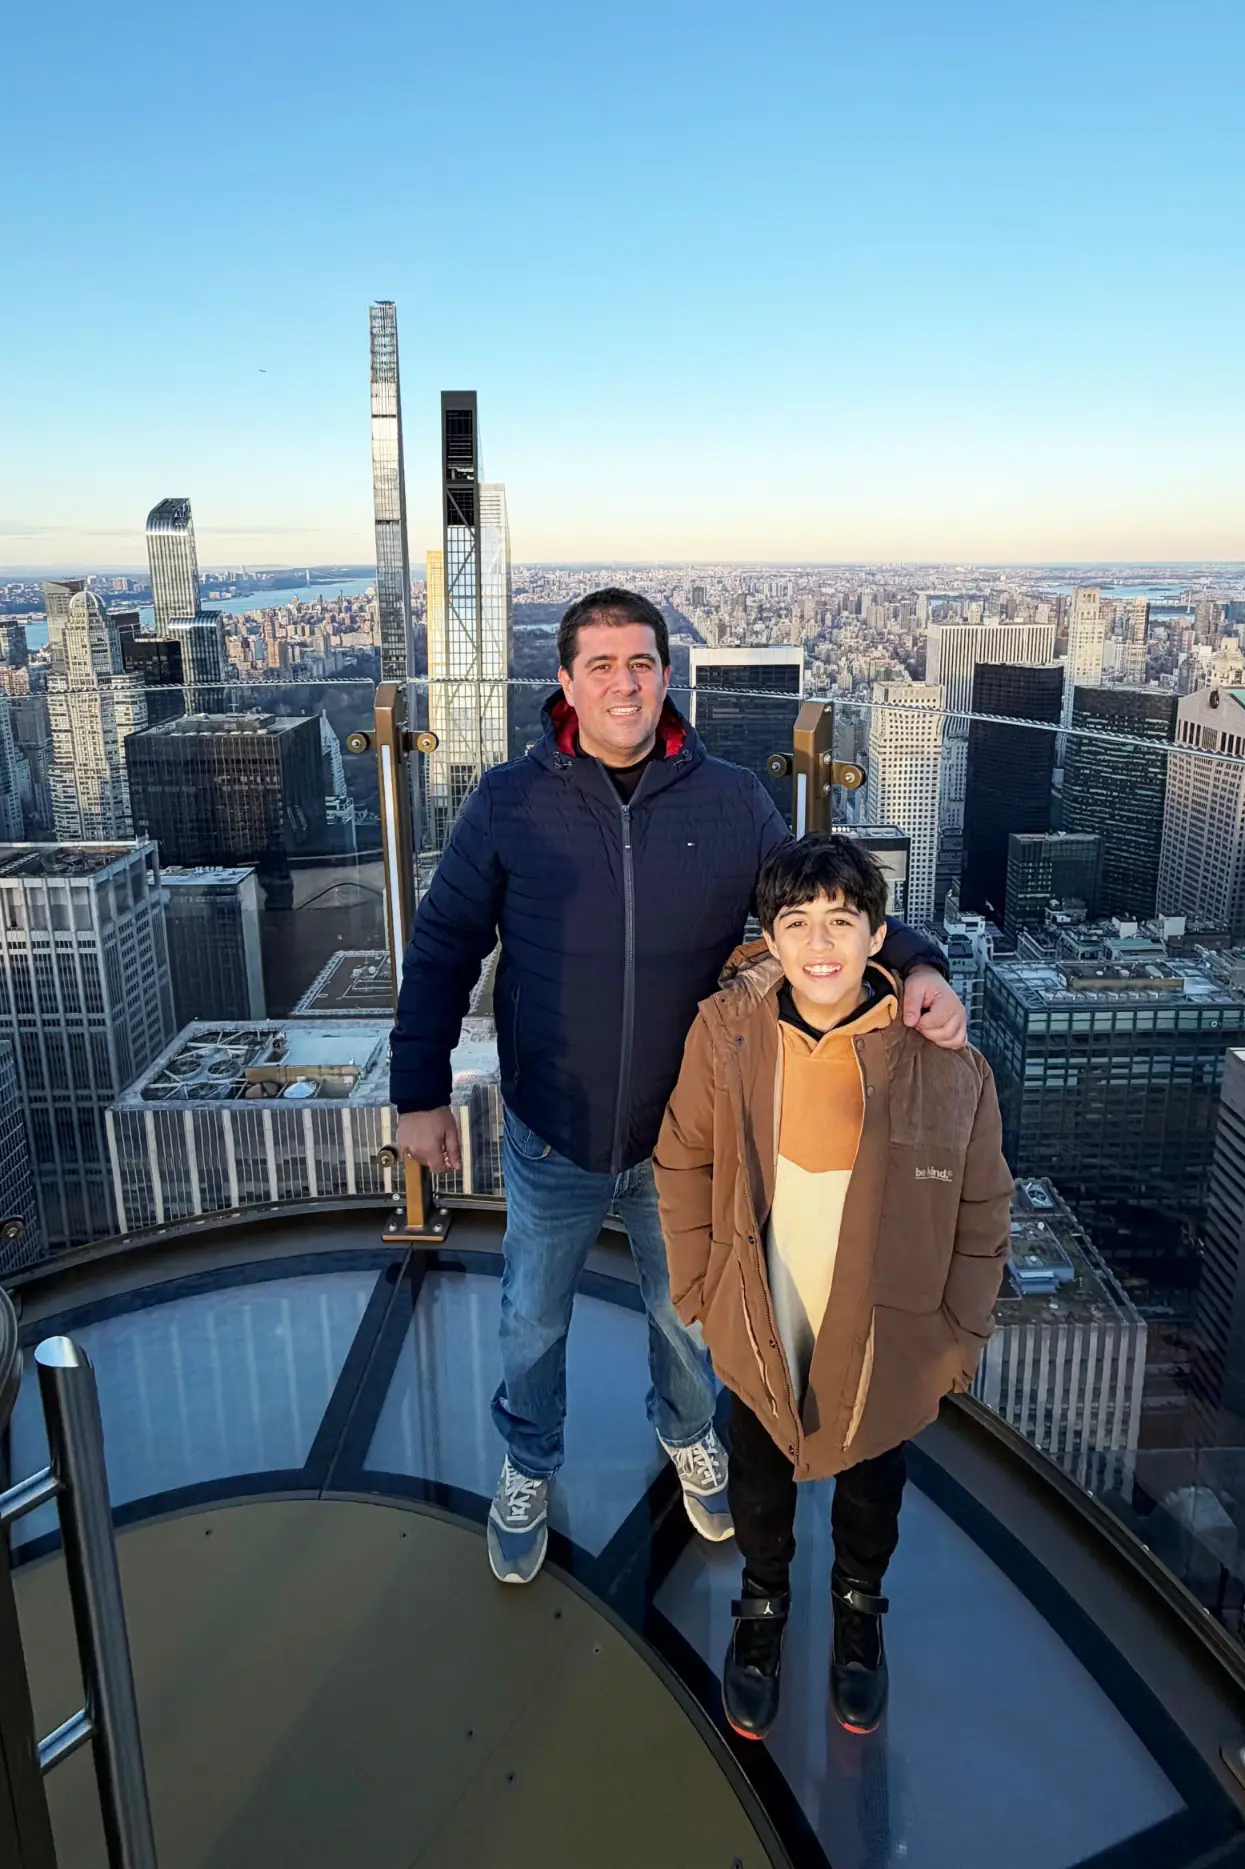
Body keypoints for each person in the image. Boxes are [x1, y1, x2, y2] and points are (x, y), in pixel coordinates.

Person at [391, 589, 969, 1587]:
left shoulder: (730, 799)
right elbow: (444, 944)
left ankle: (688, 1429)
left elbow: (812, 903)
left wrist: (916, 961)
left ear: (667, 675)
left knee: (689, 1310)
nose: (623, 682)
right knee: (532, 1313)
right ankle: (529, 1459)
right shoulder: (509, 801)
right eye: (601, 664)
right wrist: (420, 1092)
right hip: (553, 1125)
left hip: (688, 1132)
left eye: (641, 663)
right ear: (565, 682)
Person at [654, 831, 1012, 1740]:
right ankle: (762, 1602)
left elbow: (982, 1208)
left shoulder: (944, 1063)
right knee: (758, 1475)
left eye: (841, 921)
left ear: (877, 935)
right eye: (797, 921)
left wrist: (959, 1337)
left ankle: (859, 1605)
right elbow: (684, 1158)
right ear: (768, 937)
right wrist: (696, 1290)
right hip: (762, 1301)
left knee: (871, 1481)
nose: (819, 943)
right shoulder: (725, 1034)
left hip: (886, 1321)